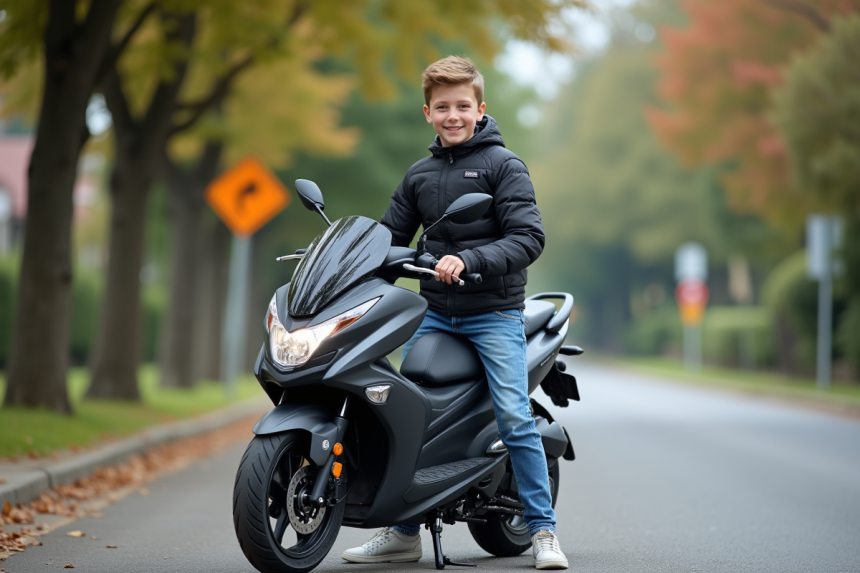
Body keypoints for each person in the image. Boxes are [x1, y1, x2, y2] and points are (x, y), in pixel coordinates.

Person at [340, 56, 568, 570]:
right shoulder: (419, 175)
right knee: (405, 410)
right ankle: (402, 533)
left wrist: (467, 259)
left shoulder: (503, 166)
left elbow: (529, 237)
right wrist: (344, 268)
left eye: (462, 106)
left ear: (480, 108)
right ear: (427, 113)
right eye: (442, 107)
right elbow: (388, 240)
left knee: (513, 414)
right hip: (438, 314)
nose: (453, 115)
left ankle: (544, 531)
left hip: (495, 313)